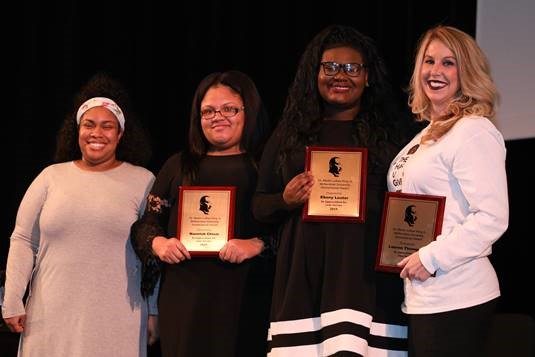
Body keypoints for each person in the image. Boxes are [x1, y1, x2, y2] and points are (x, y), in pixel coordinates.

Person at [252, 24, 409, 356]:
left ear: (368, 77)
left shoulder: (392, 138)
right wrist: (285, 200)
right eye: (331, 67)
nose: (341, 76)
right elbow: (259, 205)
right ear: (315, 74)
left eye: (352, 68)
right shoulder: (289, 135)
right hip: (303, 278)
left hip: (367, 280)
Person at [1, 73, 158, 356]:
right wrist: (12, 298)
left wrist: (154, 310)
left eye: (107, 126)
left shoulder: (143, 181)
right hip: (50, 314)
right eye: (89, 124)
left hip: (117, 316)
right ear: (77, 129)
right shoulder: (50, 177)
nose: (97, 133)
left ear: (121, 134)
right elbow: (23, 239)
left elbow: (153, 254)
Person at [130, 70, 274, 357]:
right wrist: (160, 244)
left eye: (229, 109)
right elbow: (146, 225)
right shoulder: (178, 166)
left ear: (249, 111)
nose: (217, 117)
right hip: (184, 301)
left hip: (249, 299)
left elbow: (291, 230)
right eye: (208, 111)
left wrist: (255, 244)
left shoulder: (267, 166)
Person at [389, 25, 508, 356]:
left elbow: (491, 217)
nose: (435, 71)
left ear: (466, 71)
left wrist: (431, 257)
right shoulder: (426, 135)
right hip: (423, 296)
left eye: (448, 63)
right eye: (429, 61)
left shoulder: (474, 131)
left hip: (459, 294)